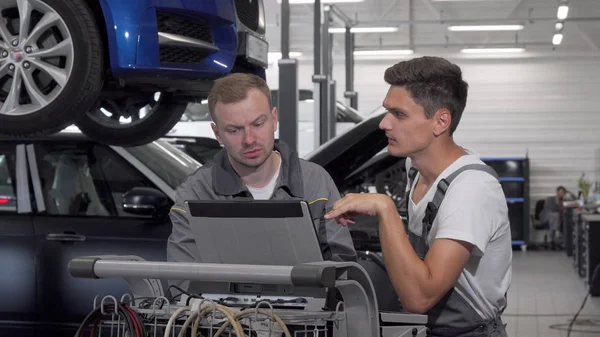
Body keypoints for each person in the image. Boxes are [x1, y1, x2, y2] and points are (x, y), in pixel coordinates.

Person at [325, 56, 512, 337]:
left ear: (440, 122)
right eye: (387, 111)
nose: (384, 124)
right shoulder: (415, 167)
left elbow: (419, 298)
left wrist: (385, 209)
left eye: (399, 114)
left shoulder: (471, 189)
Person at [167, 73, 357, 290]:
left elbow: (343, 273)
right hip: (222, 321)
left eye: (258, 124)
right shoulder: (195, 193)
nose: (249, 139)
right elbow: (182, 283)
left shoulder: (315, 182)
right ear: (217, 133)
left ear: (274, 119)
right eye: (234, 130)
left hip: (308, 322)